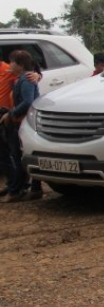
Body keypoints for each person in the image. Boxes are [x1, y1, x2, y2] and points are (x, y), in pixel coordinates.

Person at [0, 50, 42, 202]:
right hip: (17, 120)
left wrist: (11, 114)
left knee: (18, 155)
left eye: (12, 61)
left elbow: (27, 101)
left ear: (20, 64)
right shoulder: (20, 78)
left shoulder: (23, 78)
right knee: (16, 155)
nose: (9, 64)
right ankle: (27, 187)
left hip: (20, 121)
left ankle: (17, 190)